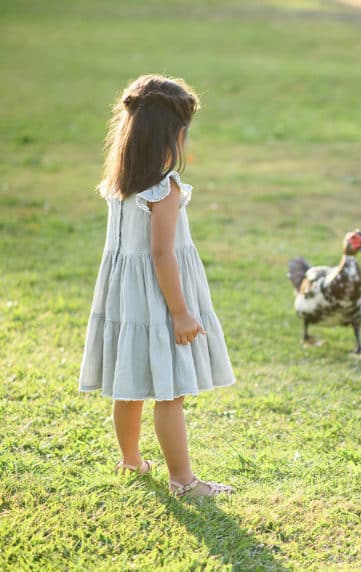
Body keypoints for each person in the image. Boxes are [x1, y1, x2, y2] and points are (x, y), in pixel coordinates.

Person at [79, 74, 235, 497]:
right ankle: (183, 480)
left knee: (130, 384)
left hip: (126, 299)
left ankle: (131, 460)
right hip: (159, 298)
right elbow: (163, 254)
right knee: (171, 390)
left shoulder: (120, 185)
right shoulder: (164, 189)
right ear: (173, 136)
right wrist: (182, 312)